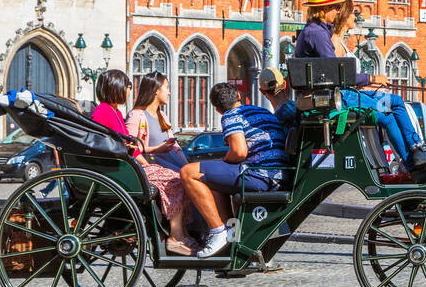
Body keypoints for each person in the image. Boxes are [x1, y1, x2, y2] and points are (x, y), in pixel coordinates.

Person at [293, 0, 426, 171]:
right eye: (337, 7)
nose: (338, 11)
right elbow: (336, 75)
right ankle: (413, 160)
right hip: (336, 98)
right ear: (325, 9)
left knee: (393, 101)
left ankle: (417, 151)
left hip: (337, 95)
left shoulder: (317, 32)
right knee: (388, 110)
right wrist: (372, 78)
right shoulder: (317, 34)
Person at [180, 83, 295, 258]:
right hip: (279, 172)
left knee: (188, 172)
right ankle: (231, 234)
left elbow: (239, 152)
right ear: (239, 98)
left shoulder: (231, 115)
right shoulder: (261, 111)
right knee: (211, 180)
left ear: (218, 109)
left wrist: (225, 160)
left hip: (261, 175)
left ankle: (218, 232)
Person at [90, 69, 195, 256]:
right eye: (128, 86)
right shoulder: (105, 112)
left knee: (180, 178)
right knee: (175, 181)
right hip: (122, 169)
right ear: (117, 88)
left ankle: (183, 232)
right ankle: (175, 235)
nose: (130, 91)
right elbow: (122, 146)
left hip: (130, 166)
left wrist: (142, 159)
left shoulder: (112, 111)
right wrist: (143, 162)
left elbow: (129, 145)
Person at [131, 72, 189, 172]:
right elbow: (130, 148)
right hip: (154, 168)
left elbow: (175, 147)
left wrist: (188, 166)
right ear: (156, 90)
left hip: (172, 163)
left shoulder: (162, 115)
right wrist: (156, 149)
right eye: (166, 88)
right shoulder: (136, 115)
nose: (169, 93)